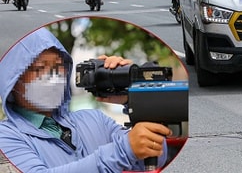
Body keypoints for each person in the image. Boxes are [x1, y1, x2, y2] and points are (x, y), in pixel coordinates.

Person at [0, 27, 171, 172]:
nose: (54, 75)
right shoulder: (7, 136)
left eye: (59, 66)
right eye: (40, 68)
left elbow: (154, 156)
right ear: (14, 81)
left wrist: (135, 96)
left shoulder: (94, 119)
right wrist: (123, 151)